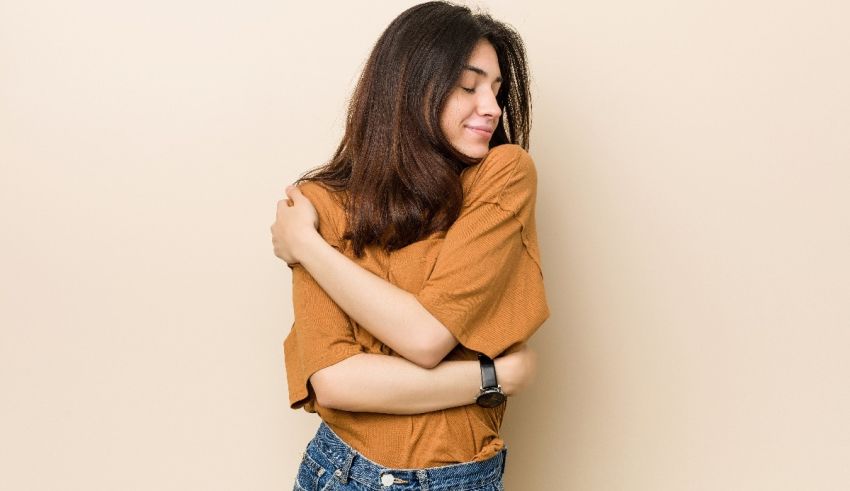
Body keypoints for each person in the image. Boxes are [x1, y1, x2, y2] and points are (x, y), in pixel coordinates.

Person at [270, 2, 550, 490]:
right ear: (409, 89)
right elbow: (335, 382)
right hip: (342, 473)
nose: (492, 107)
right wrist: (493, 377)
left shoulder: (503, 176)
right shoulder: (320, 203)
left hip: (461, 476)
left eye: (497, 89)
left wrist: (308, 247)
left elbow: (426, 336)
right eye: (469, 87)